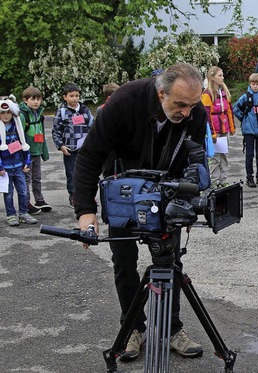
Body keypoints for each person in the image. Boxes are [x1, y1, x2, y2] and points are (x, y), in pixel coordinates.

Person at [73, 63, 207, 361]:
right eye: (180, 104)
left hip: (167, 194)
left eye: (193, 105)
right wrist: (85, 211)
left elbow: (196, 160)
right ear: (161, 92)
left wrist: (191, 195)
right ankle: (133, 328)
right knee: (124, 263)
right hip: (124, 194)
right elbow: (90, 155)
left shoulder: (195, 111)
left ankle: (172, 329)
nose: (187, 112)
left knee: (170, 262)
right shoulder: (124, 101)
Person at [51, 83, 93, 207]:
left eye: (77, 96)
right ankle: (73, 196)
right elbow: (56, 130)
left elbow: (92, 126)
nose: (74, 98)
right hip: (70, 149)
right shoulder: (62, 112)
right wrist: (61, 145)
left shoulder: (85, 110)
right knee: (72, 173)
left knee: (86, 173)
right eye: (71, 96)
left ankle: (87, 195)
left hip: (84, 149)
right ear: (65, 97)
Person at [0, 95, 37, 226]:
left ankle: (23, 213)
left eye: (8, 112)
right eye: (2, 113)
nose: (5, 115)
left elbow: (25, 147)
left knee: (23, 191)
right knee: (8, 194)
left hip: (20, 167)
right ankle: (11, 215)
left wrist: (27, 162)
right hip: (6, 168)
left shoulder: (18, 129)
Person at [18, 86, 52, 214]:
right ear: (25, 100)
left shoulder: (39, 115)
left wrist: (44, 152)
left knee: (37, 178)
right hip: (26, 154)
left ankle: (39, 200)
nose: (36, 102)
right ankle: (26, 203)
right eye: (33, 99)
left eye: (38, 99)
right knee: (26, 179)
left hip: (37, 152)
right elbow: (19, 136)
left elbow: (41, 133)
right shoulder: (23, 116)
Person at [202, 66, 235, 188]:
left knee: (224, 156)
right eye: (219, 75)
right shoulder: (207, 94)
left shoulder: (224, 92)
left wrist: (231, 127)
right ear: (212, 77)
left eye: (222, 75)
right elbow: (206, 115)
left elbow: (229, 110)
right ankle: (214, 181)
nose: (222, 77)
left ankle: (223, 180)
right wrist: (212, 133)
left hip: (224, 130)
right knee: (215, 158)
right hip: (214, 132)